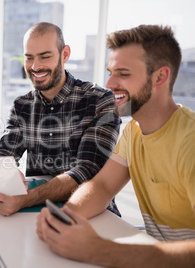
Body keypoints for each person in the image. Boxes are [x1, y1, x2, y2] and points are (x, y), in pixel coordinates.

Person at [36, 24, 195, 267]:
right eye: (110, 72)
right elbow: (101, 186)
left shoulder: (190, 141)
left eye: (123, 73)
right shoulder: (134, 131)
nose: (109, 83)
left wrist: (100, 250)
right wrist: (65, 217)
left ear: (160, 77)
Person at [0, 22, 121, 216]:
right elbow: (4, 155)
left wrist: (28, 198)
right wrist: (4, 172)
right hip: (34, 214)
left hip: (92, 215)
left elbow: (87, 171)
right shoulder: (22, 106)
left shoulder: (99, 100)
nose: (35, 66)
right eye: (29, 58)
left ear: (65, 54)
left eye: (45, 56)